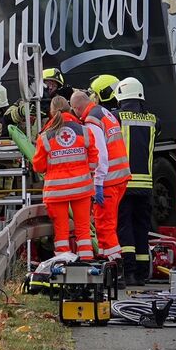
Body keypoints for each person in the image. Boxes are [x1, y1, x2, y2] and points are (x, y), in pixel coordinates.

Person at [32, 95, 98, 260]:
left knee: (61, 231)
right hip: (81, 189)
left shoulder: (45, 136)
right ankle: (86, 262)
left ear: (51, 112)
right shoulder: (84, 131)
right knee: (83, 229)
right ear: (69, 109)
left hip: (56, 192)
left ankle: (63, 264)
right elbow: (94, 160)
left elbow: (38, 166)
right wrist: (86, 172)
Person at [71, 87, 128, 261]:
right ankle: (105, 258)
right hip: (119, 176)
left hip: (108, 180)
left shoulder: (92, 121)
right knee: (108, 223)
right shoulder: (103, 112)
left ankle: (115, 262)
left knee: (104, 225)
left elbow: (100, 154)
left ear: (77, 108)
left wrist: (98, 183)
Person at [115, 76, 158, 286]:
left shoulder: (117, 117)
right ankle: (142, 273)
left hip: (125, 183)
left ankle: (129, 272)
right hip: (146, 185)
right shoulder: (153, 120)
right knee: (141, 228)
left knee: (125, 227)